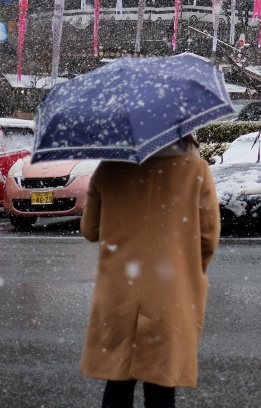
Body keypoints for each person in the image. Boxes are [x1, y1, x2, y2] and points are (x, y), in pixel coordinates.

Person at [80, 135, 220, 408]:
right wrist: (187, 273)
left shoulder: (110, 168)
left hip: (119, 291)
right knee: (161, 385)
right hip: (171, 293)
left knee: (118, 380)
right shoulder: (195, 169)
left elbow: (90, 229)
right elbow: (208, 237)